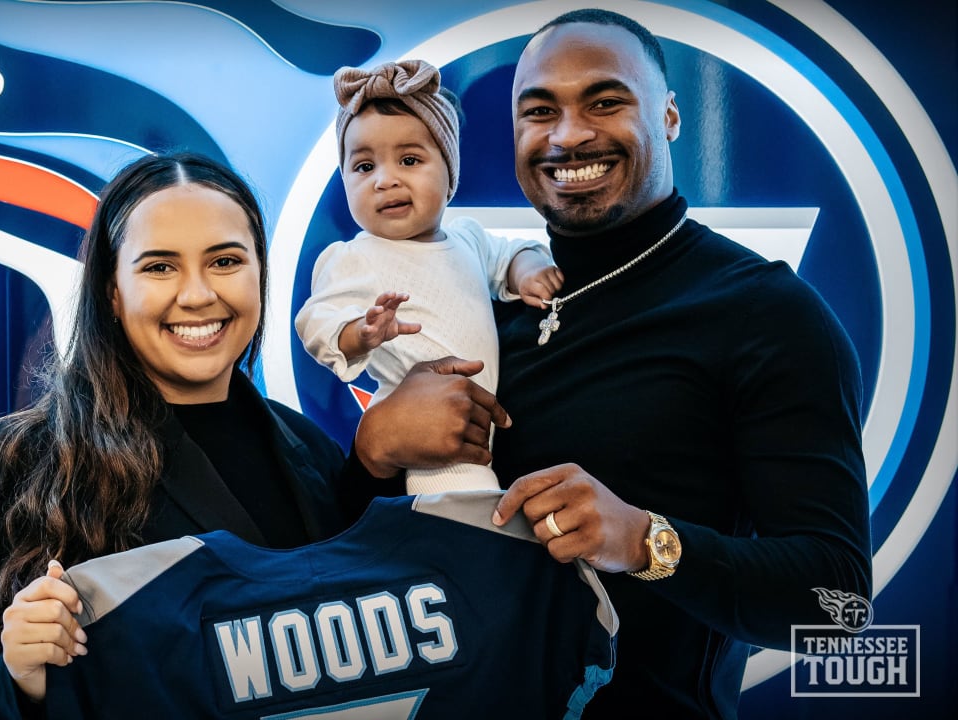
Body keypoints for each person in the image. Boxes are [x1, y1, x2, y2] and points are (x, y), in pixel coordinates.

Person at [352, 9, 872, 718]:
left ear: (669, 116)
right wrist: (372, 450)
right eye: (540, 111)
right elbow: (365, 556)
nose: (568, 135)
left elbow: (839, 607)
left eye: (605, 100)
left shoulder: (767, 314)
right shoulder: (476, 300)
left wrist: (647, 541)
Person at [0, 152, 390, 718]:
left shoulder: (310, 449)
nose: (198, 294)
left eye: (225, 261)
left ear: (259, 274)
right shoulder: (20, 461)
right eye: (159, 267)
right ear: (112, 291)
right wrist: (22, 677)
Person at [295, 59, 563, 494]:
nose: (385, 181)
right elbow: (316, 321)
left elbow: (510, 254)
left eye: (409, 159)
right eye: (364, 167)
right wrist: (358, 333)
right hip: (421, 430)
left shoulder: (467, 238)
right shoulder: (354, 257)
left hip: (481, 424)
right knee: (461, 498)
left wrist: (528, 269)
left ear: (449, 173)